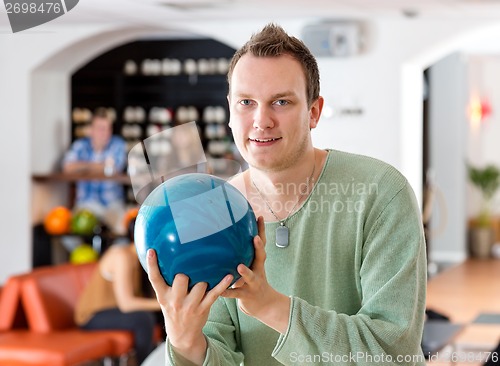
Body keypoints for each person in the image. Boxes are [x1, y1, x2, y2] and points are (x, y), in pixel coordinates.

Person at [145, 23, 427, 365]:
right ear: (230, 113)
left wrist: (270, 306)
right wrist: (186, 342)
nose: (261, 120)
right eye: (246, 102)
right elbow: (220, 354)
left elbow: (392, 353)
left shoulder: (380, 193)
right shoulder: (211, 214)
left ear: (314, 112)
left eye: (281, 101)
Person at [74, 217, 162, 365]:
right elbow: (126, 304)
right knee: (144, 318)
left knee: (157, 315)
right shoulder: (122, 256)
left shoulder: (141, 259)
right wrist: (163, 303)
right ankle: (144, 363)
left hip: (114, 311)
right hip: (91, 316)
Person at [63, 107, 127, 234]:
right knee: (67, 232)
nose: (105, 133)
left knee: (125, 231)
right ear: (91, 130)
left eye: (108, 128)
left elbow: (115, 169)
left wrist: (83, 167)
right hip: (86, 203)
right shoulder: (80, 145)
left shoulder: (118, 144)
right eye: (101, 128)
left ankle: (109, 254)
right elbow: (67, 167)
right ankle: (88, 253)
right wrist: (99, 165)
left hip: (112, 204)